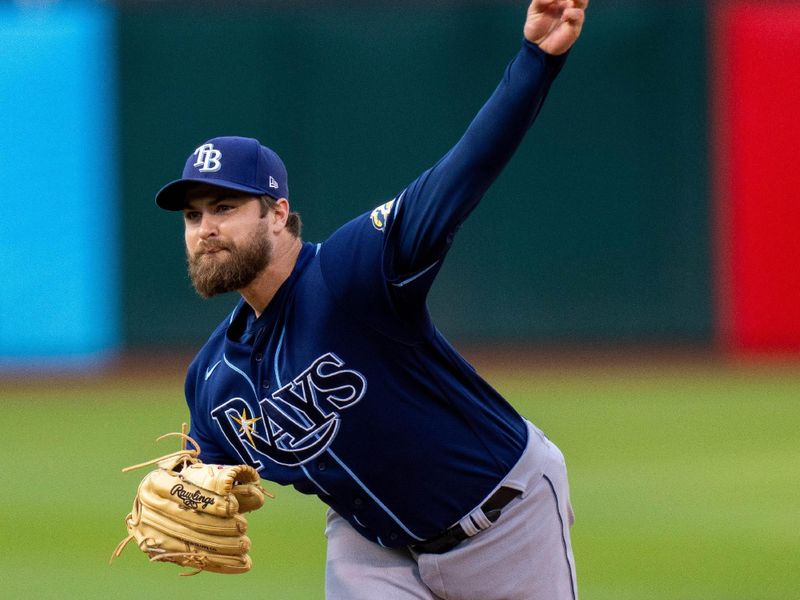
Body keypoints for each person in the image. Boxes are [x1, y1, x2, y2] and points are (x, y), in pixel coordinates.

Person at [154, 1, 586, 598]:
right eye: (193, 215)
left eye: (225, 208)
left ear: (278, 214)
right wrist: (186, 492)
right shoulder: (213, 378)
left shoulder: (350, 272)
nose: (205, 229)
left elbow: (462, 171)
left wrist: (537, 59)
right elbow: (204, 476)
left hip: (503, 517)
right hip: (371, 546)